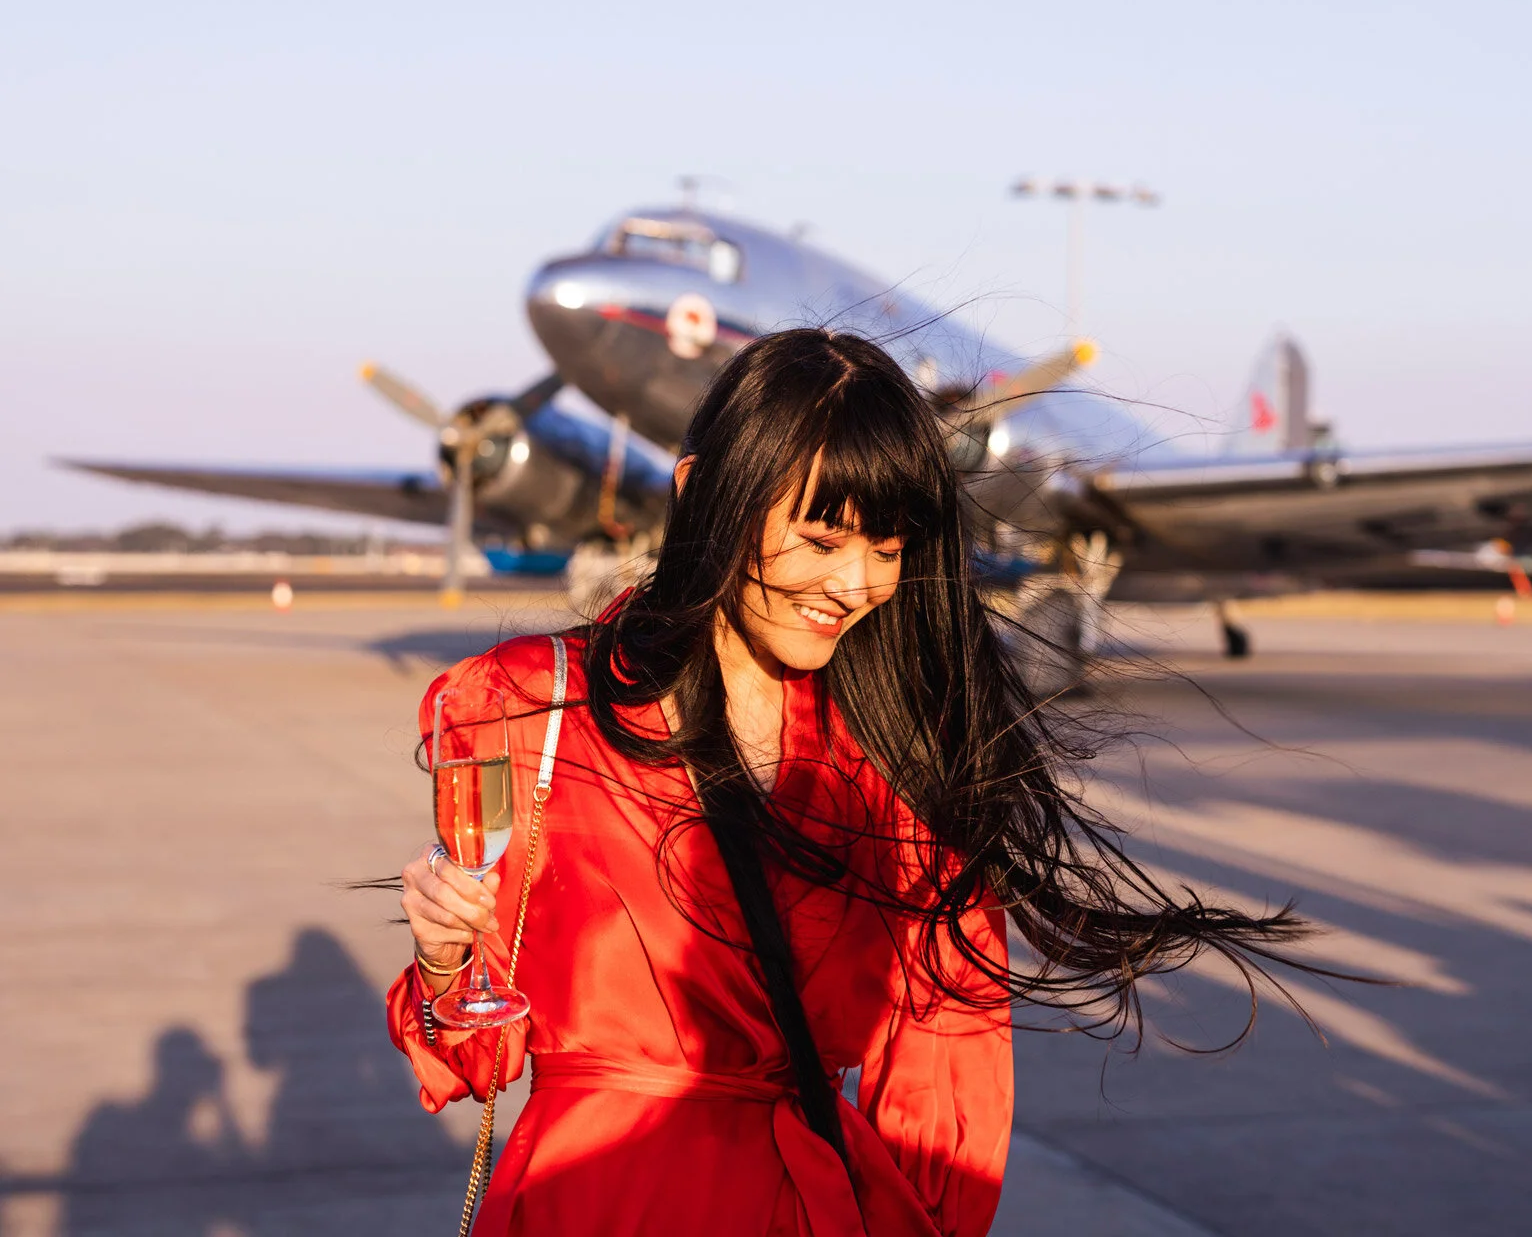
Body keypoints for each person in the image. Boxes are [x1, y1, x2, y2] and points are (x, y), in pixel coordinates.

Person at [387, 328, 1323, 1235]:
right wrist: (440, 956)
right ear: (702, 494)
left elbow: (944, 1062)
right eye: (822, 537)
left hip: (807, 1207)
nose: (858, 583)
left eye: (888, 547)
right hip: (588, 1202)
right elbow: (477, 1050)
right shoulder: (527, 705)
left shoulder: (904, 752)